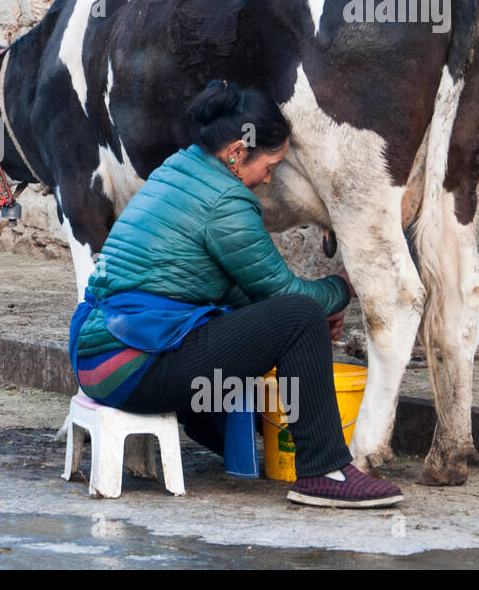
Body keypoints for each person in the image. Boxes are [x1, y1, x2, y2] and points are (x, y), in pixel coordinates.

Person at [69, 79, 403, 508]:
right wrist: (344, 286)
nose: (269, 178)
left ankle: (241, 443)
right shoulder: (225, 202)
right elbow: (282, 292)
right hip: (131, 365)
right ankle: (324, 471)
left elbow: (238, 290)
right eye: (271, 163)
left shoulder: (178, 170)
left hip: (97, 358)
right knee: (299, 317)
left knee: (272, 316)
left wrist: (318, 307)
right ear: (238, 152)